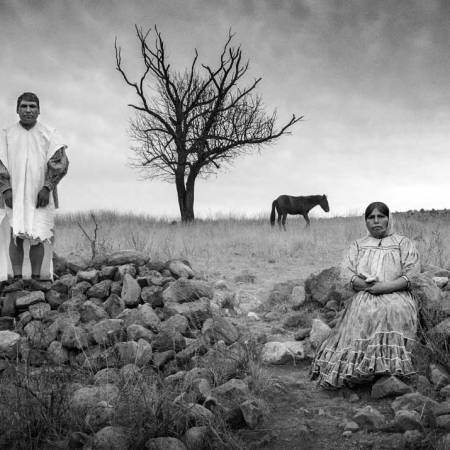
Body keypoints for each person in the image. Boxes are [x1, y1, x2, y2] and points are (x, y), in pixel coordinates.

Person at [311, 201, 420, 388]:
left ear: (388, 219)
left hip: (397, 292)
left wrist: (384, 287)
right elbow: (347, 272)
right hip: (366, 293)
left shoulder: (403, 243)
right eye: (371, 217)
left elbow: (412, 274)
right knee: (366, 311)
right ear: (366, 221)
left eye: (381, 216)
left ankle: (388, 367)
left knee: (394, 309)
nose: (376, 221)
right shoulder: (358, 245)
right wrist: (363, 285)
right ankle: (361, 369)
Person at [0, 92, 69, 289]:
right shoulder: (6, 134)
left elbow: (59, 162)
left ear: (39, 110)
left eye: (32, 106)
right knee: (15, 233)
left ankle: (37, 280)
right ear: (17, 109)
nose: (28, 110)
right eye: (24, 106)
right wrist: (5, 188)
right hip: (13, 192)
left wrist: (47, 187)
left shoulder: (49, 134)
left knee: (38, 235)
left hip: (40, 193)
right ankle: (17, 279)